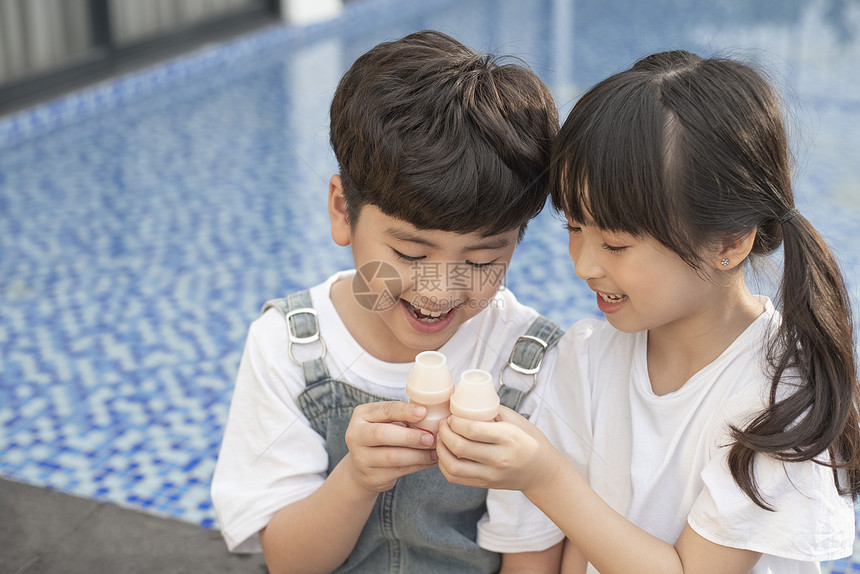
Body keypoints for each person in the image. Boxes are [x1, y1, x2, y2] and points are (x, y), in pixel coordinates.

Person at [437, 49, 860, 573]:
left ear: (728, 242)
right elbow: (575, 549)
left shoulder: (778, 401)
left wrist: (543, 476)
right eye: (573, 227)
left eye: (615, 244)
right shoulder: (589, 358)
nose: (584, 265)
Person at [210, 30, 563, 573]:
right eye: (410, 253)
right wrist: (355, 478)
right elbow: (289, 561)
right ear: (340, 211)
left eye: (479, 260)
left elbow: (530, 559)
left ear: (516, 241)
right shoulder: (290, 346)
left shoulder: (529, 364)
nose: (440, 290)